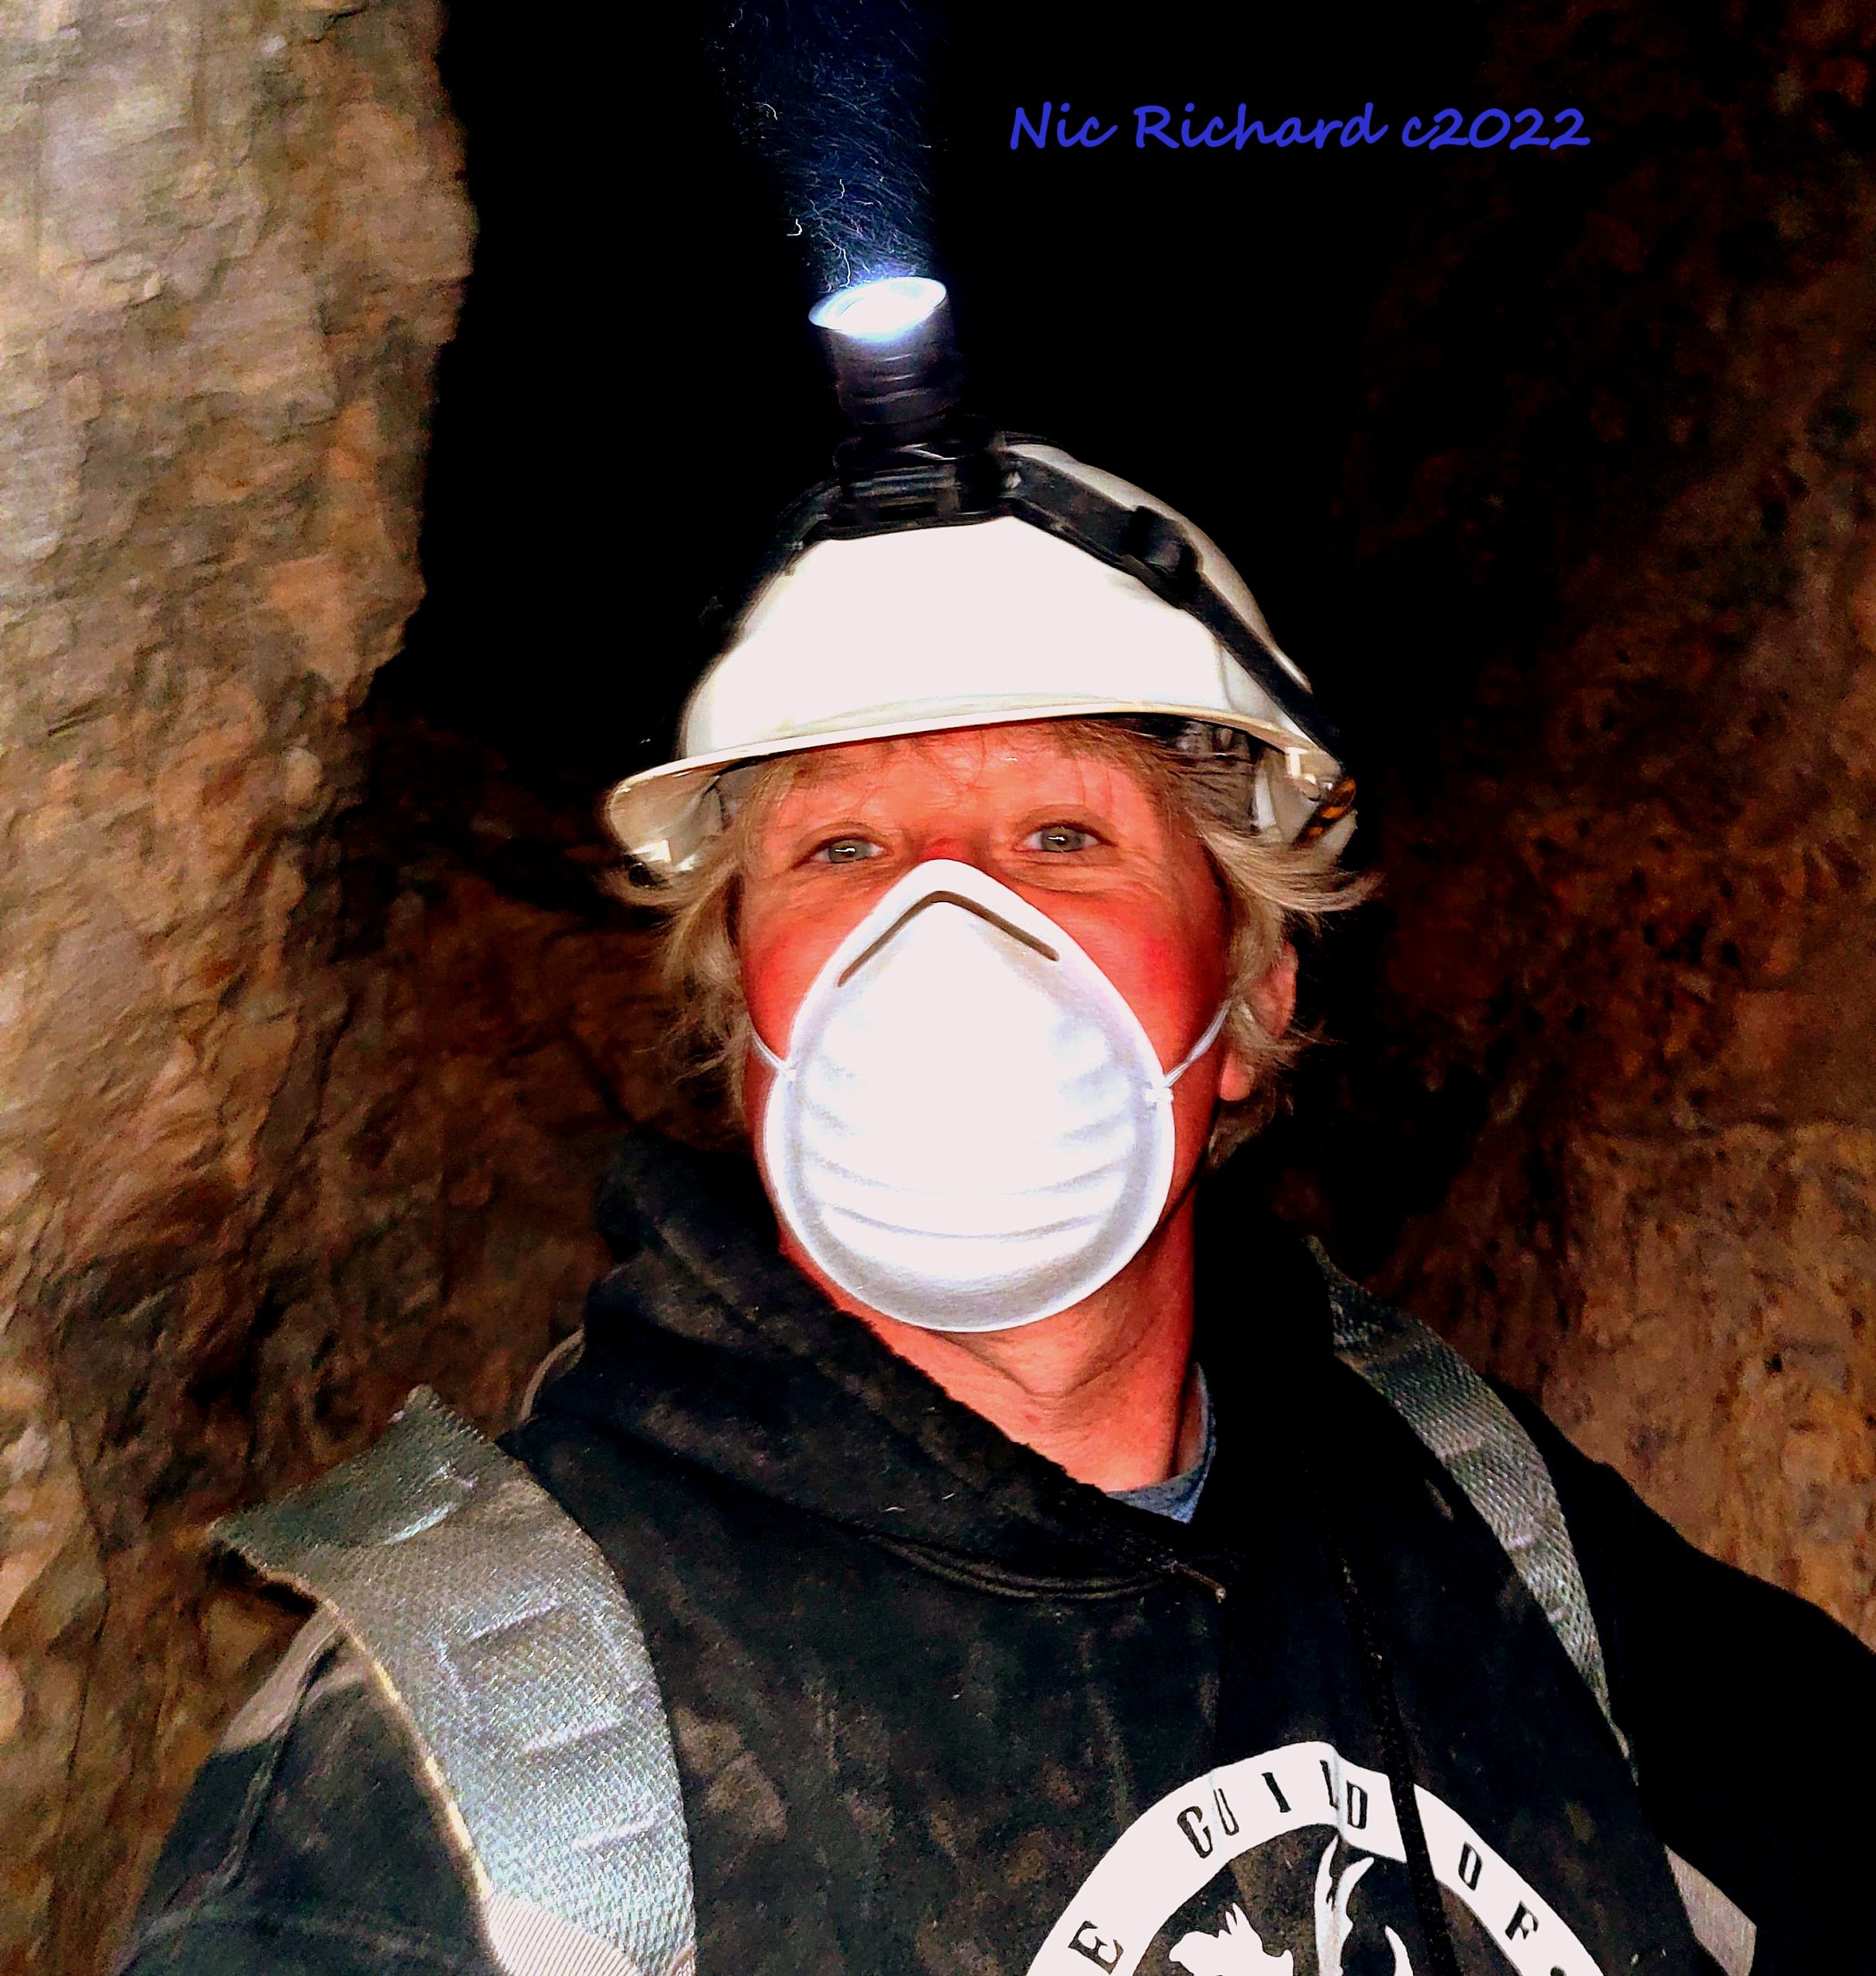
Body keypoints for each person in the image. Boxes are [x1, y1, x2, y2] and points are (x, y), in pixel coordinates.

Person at [118, 430, 1875, 1976]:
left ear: (1248, 994)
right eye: (844, 849)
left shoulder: (1457, 1495)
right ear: (744, 1007)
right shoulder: (481, 1765)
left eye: (1061, 838)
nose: (947, 930)